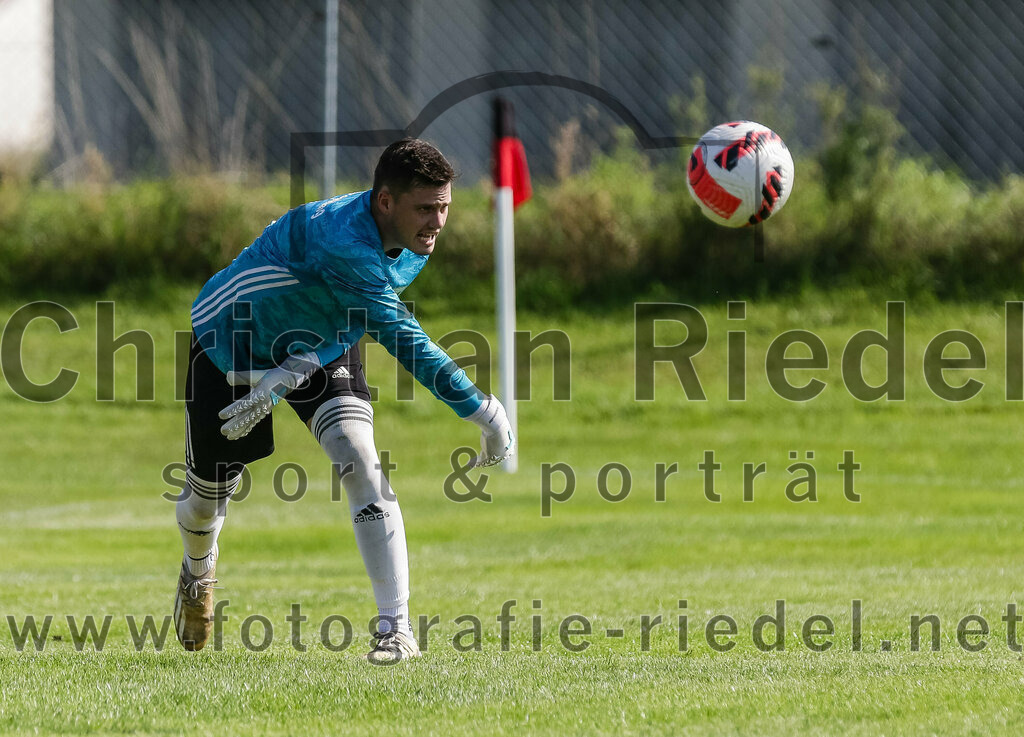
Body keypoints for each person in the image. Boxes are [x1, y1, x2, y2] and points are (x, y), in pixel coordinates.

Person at [174, 138, 515, 664]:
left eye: (444, 206)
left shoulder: (410, 236)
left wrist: (297, 367)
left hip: (318, 344)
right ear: (385, 202)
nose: (439, 222)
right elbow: (406, 340)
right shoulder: (344, 242)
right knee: (209, 495)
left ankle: (395, 630)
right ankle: (198, 572)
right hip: (233, 341)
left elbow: (364, 313)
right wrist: (483, 410)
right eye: (426, 208)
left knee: (359, 459)